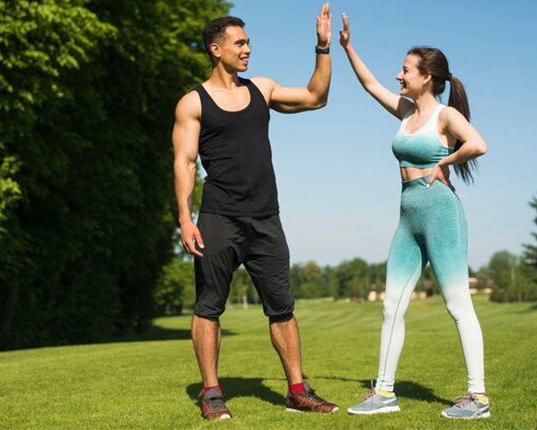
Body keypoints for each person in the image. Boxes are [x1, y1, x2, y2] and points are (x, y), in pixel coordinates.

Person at [172, 4, 339, 420]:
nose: (248, 49)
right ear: (216, 49)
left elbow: (316, 97)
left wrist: (322, 47)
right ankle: (212, 393)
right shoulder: (193, 103)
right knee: (209, 305)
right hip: (218, 218)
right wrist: (184, 218)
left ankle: (297, 390)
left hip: (266, 217)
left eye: (249, 42)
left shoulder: (260, 89)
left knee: (282, 306)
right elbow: (185, 162)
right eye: (240, 43)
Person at [337, 13, 491, 419]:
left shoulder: (445, 116)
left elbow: (478, 144)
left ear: (426, 77)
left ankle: (478, 398)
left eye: (405, 70)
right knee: (392, 305)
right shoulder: (406, 113)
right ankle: (384, 392)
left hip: (440, 212)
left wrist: (446, 164)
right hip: (408, 216)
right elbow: (370, 85)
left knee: (458, 305)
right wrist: (347, 47)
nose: (398, 75)